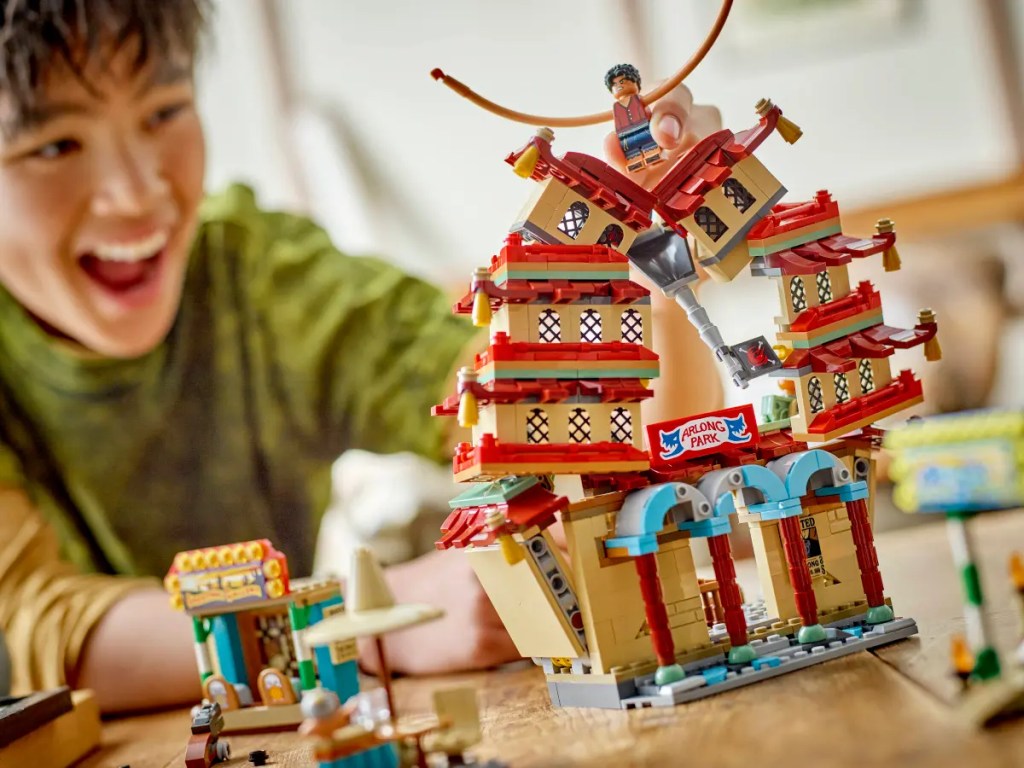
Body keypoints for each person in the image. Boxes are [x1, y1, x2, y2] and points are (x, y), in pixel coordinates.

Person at [0, 0, 724, 714]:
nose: (136, 194)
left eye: (163, 112)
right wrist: (372, 620)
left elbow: (538, 412)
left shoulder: (261, 274)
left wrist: (646, 285)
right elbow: (38, 635)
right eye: (54, 146)